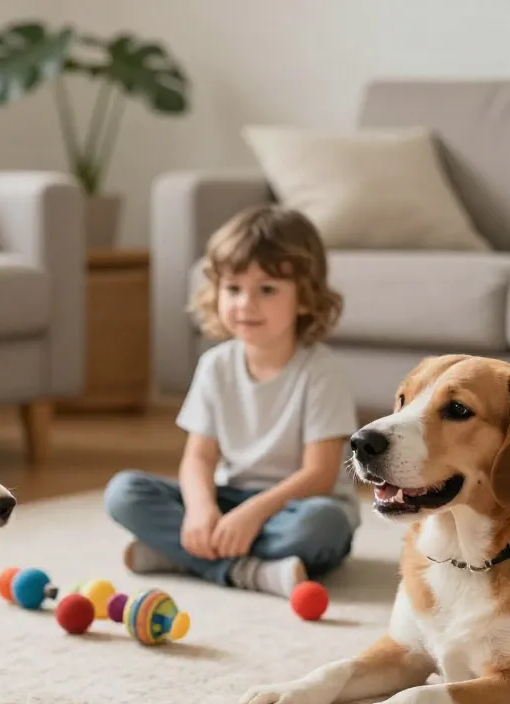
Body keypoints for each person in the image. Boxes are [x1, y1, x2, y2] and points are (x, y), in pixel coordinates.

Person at [104, 204, 360, 597]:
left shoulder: (321, 372)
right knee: (124, 493)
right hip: (231, 499)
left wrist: (252, 515)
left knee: (321, 526)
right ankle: (250, 571)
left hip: (296, 508)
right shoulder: (215, 366)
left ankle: (183, 556)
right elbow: (199, 458)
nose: (245, 303)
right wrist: (200, 509)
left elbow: (319, 476)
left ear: (306, 298)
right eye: (233, 288)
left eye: (267, 289)